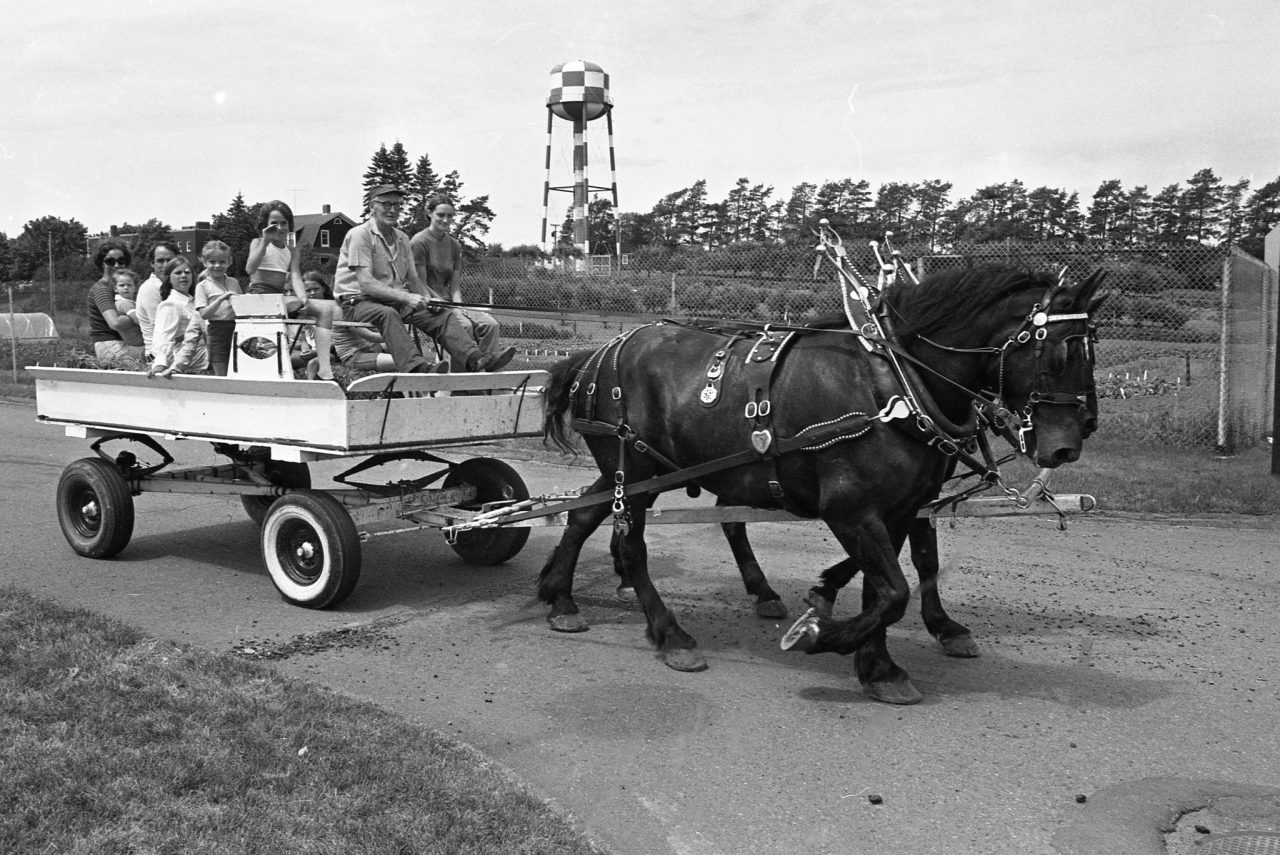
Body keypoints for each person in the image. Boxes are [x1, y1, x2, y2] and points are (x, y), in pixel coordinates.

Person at [332, 184, 514, 374]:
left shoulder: (402, 238)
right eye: (386, 204)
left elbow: (413, 278)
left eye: (397, 205)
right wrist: (406, 297)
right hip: (357, 302)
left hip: (392, 300)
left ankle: (476, 359)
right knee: (387, 314)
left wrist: (429, 298)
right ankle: (416, 368)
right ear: (372, 206)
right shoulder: (360, 235)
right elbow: (366, 283)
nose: (393, 210)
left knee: (441, 314)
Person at [245, 200, 339, 381]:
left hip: (279, 299)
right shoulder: (258, 242)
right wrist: (265, 242)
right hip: (260, 297)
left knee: (326, 310)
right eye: (274, 223)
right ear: (265, 226)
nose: (279, 227)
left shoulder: (292, 250)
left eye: (284, 223)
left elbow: (295, 275)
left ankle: (324, 366)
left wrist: (303, 298)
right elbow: (250, 268)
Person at [410, 195, 505, 368]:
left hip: (448, 302)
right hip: (428, 302)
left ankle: (487, 376)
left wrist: (459, 307)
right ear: (429, 213)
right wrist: (438, 302)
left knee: (491, 324)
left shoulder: (454, 245)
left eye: (450, 216)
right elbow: (418, 282)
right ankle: (460, 383)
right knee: (464, 327)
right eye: (440, 215)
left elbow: (454, 285)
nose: (445, 220)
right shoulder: (419, 242)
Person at [148, 256, 209, 378]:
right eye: (178, 273)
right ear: (169, 279)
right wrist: (160, 363)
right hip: (186, 356)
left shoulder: (195, 302)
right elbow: (163, 337)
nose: (183, 276)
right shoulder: (170, 305)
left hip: (200, 351)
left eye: (187, 272)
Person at [87, 239, 143, 367]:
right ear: (101, 263)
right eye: (110, 261)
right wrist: (141, 316)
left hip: (124, 342)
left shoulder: (123, 289)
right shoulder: (102, 289)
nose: (117, 265)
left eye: (121, 261)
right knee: (153, 354)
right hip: (108, 345)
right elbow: (115, 323)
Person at [194, 240, 243, 376]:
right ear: (204, 262)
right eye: (212, 262)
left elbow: (242, 308)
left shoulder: (233, 282)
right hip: (217, 331)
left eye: (222, 262)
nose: (217, 265)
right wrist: (221, 299)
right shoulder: (202, 286)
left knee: (239, 370)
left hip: (236, 329)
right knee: (222, 373)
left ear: (229, 261)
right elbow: (204, 314)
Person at [136, 241, 179, 361]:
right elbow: (162, 330)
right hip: (159, 357)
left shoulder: (177, 286)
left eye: (169, 260)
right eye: (160, 261)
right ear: (152, 263)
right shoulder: (151, 288)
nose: (165, 265)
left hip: (176, 351)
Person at [111, 269, 146, 356]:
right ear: (115, 288)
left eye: (129, 285)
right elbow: (137, 319)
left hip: (135, 344)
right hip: (139, 344)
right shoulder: (124, 303)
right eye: (122, 285)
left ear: (135, 287)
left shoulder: (125, 302)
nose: (126, 288)